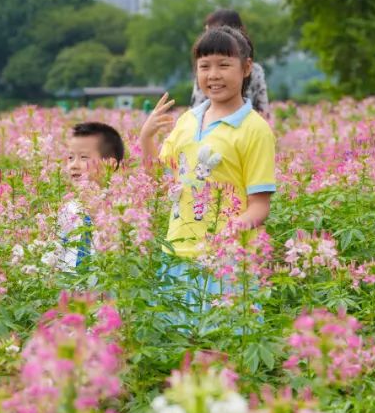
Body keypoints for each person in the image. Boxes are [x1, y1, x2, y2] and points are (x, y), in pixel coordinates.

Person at [141, 26, 276, 325]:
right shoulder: (189, 120)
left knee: (223, 346)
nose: (213, 75)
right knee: (176, 348)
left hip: (227, 259)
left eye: (224, 65)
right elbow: (159, 180)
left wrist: (232, 230)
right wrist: (146, 138)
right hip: (179, 250)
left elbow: (260, 204)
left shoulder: (254, 129)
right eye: (205, 66)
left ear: (246, 68)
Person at [51, 122, 125, 271]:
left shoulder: (121, 206)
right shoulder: (69, 207)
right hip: (70, 289)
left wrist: (96, 212)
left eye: (84, 157)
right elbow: (56, 249)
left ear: (109, 164)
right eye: (71, 158)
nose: (73, 165)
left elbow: (122, 251)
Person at [190, 10, 270, 117]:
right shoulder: (256, 69)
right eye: (204, 66)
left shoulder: (254, 70)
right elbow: (263, 108)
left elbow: (196, 105)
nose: (207, 37)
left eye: (210, 31)